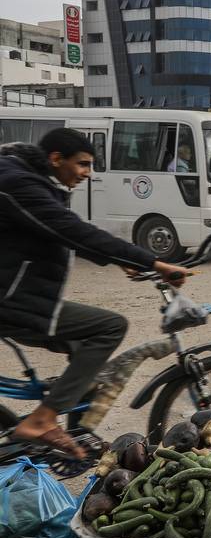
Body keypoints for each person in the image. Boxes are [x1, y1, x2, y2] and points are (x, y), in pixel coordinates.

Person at [0, 130, 189, 458]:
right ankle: (43, 419)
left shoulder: (25, 178)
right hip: (11, 301)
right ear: (56, 159)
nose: (88, 173)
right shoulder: (21, 184)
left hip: (17, 295)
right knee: (109, 326)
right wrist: (151, 261)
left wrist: (121, 261)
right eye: (83, 164)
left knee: (85, 354)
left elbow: (55, 234)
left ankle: (77, 431)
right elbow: (70, 230)